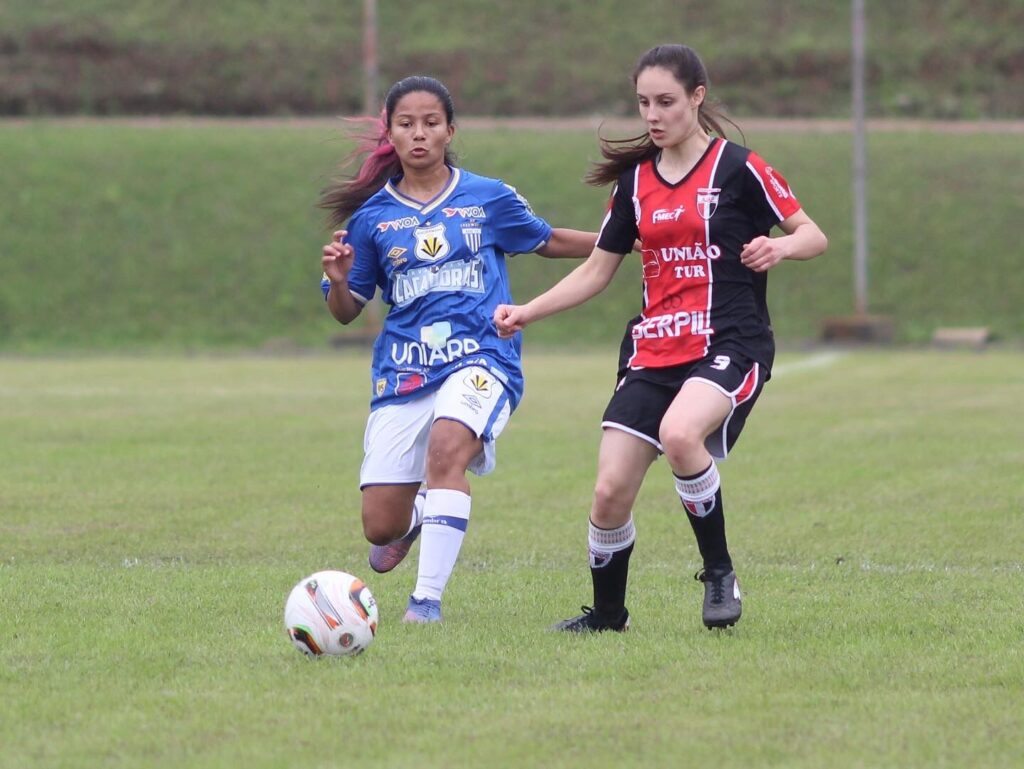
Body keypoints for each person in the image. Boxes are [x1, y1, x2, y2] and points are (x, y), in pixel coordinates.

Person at [494, 45, 828, 632]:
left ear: (697, 97)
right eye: (644, 102)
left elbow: (813, 234)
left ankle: (720, 573)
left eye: (666, 101)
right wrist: (529, 311)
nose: (653, 114)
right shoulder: (634, 185)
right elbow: (598, 270)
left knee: (680, 434)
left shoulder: (740, 168)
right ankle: (606, 616)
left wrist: (779, 245)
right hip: (654, 349)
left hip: (730, 340)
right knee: (608, 493)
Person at [319, 75, 597, 624]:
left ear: (450, 129)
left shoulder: (488, 197)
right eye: (406, 124)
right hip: (403, 370)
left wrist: (625, 238)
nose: (419, 134)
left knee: (448, 451)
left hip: (482, 355)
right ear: (391, 133)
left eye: (430, 122)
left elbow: (547, 241)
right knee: (380, 526)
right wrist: (342, 279)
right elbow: (347, 308)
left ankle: (425, 604)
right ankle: (420, 512)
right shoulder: (372, 218)